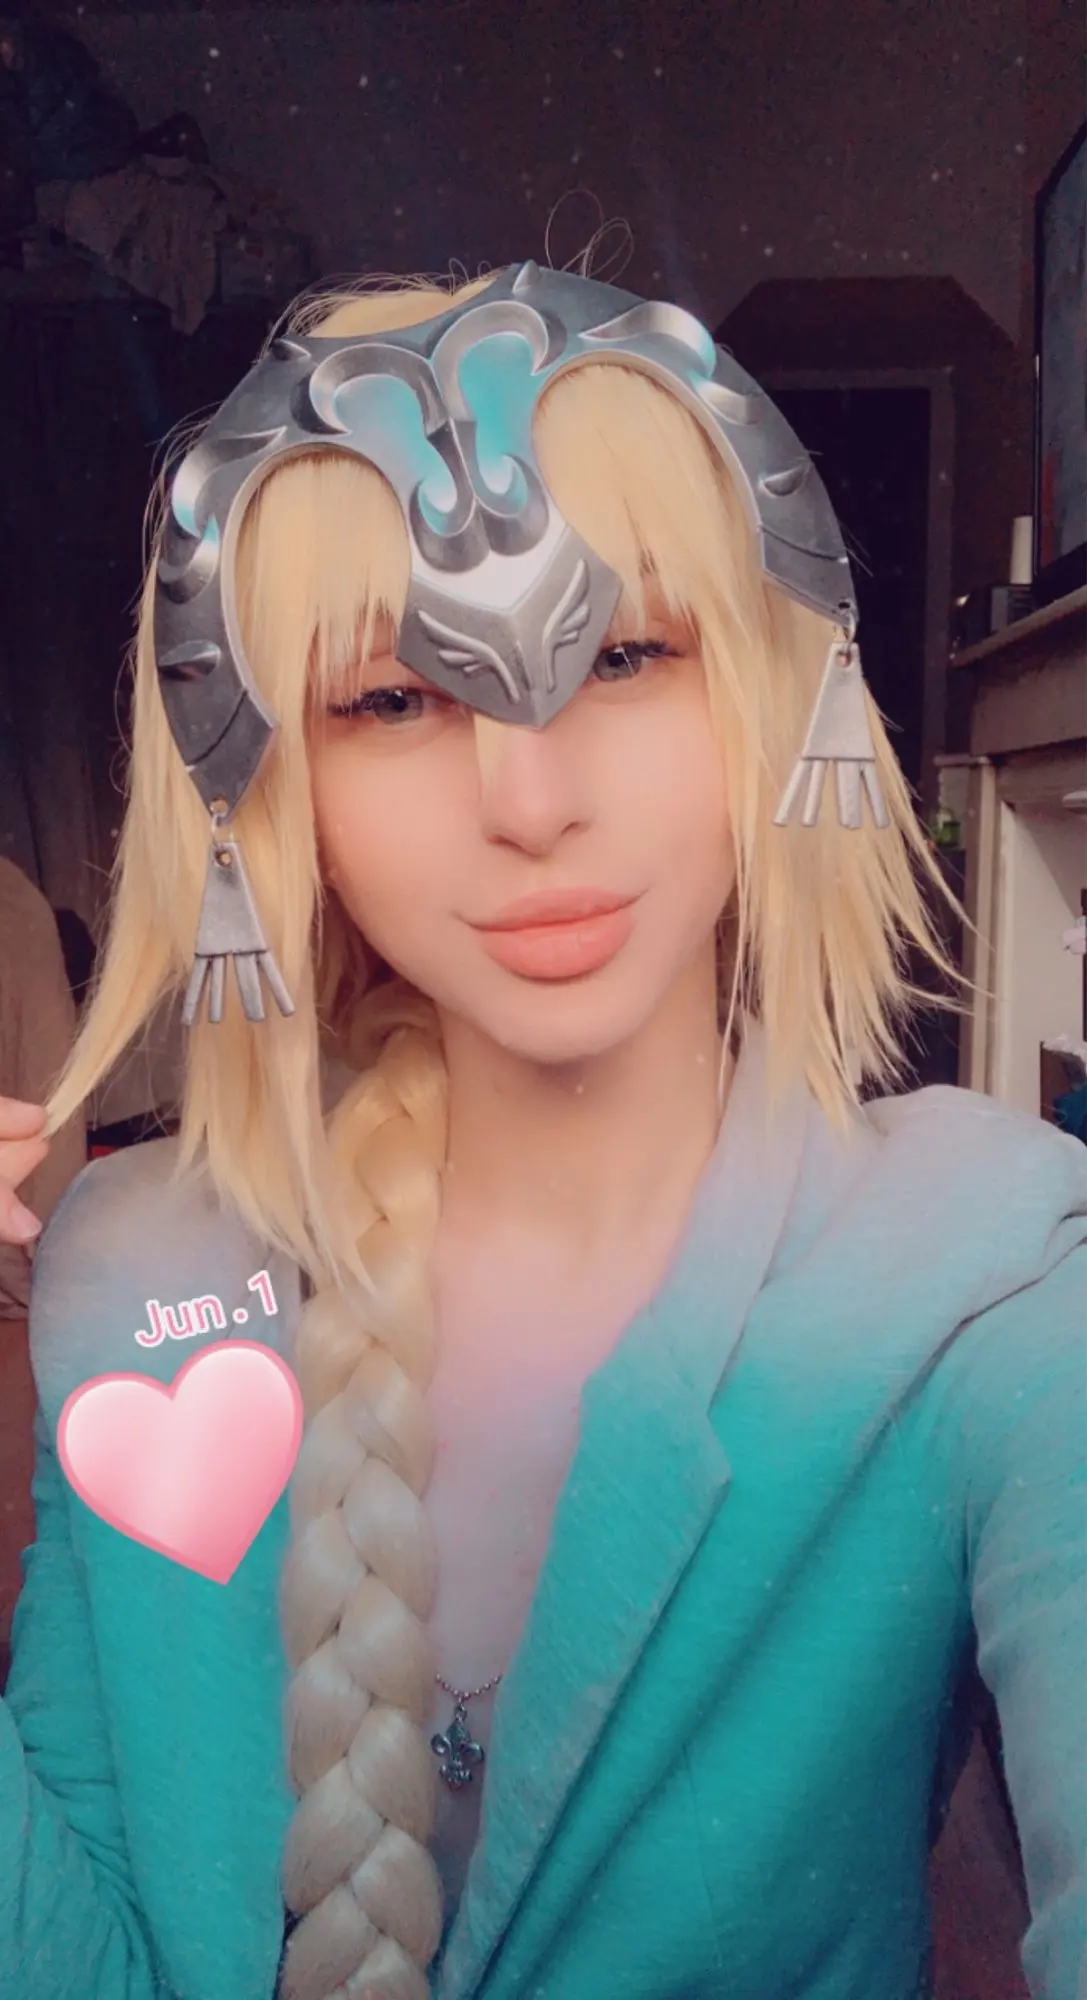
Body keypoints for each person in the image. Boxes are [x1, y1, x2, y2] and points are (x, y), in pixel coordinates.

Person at [0, 260, 1083, 2000]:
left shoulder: (988, 1281)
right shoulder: (138, 1277)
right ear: (267, 784)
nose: (530, 801)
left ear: (772, 688)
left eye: (627, 654)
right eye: (390, 700)